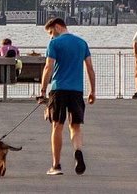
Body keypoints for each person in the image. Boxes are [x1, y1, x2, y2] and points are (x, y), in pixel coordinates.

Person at [39, 17, 96, 177]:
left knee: (57, 125)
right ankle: (78, 151)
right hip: (77, 90)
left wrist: (43, 90)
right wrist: (93, 90)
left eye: (51, 32)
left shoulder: (54, 44)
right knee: (75, 126)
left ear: (57, 27)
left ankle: (56, 165)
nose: (50, 36)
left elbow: (48, 67)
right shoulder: (82, 43)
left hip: (59, 89)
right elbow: (90, 68)